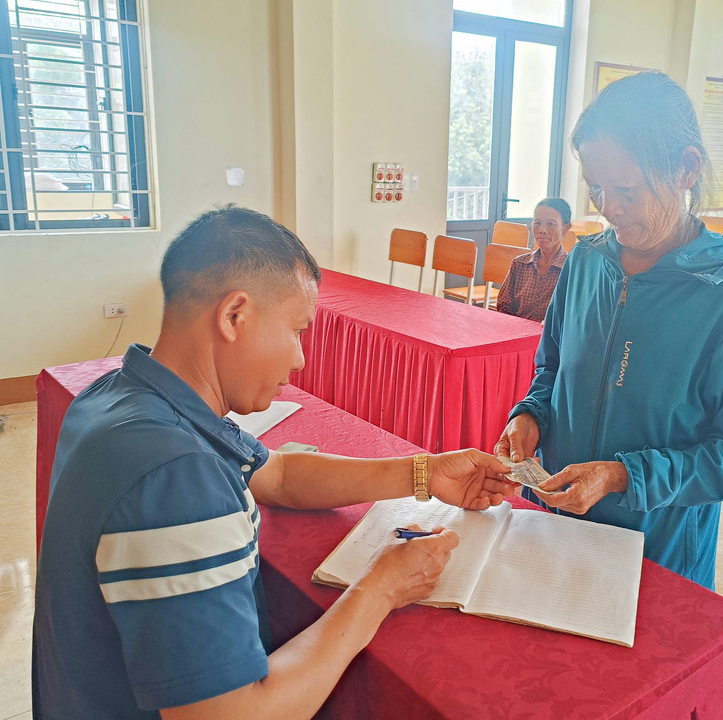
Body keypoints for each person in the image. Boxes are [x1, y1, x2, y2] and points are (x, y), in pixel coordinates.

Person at [33, 206, 516, 719]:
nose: (301, 359)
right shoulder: (177, 478)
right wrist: (381, 589)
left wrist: (425, 473)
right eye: (297, 329)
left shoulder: (121, 393)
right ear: (234, 316)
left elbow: (278, 475)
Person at [495, 71, 723, 590]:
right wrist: (531, 415)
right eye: (596, 188)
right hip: (559, 527)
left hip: (657, 552)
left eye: (626, 188)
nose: (608, 207)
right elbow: (552, 369)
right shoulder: (585, 263)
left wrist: (624, 476)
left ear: (686, 168)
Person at [496, 197, 572, 322]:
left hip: (551, 334)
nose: (542, 230)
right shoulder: (519, 264)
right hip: (517, 330)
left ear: (566, 228)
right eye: (537, 223)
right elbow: (503, 306)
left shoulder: (572, 270)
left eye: (551, 224)